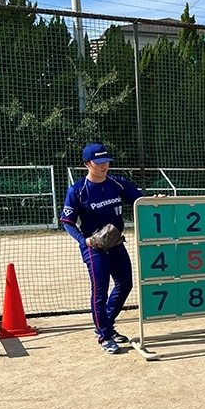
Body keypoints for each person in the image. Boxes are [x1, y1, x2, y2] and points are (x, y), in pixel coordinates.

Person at [61, 143, 143, 355]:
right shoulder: (77, 190)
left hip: (115, 243)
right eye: (98, 163)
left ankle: (105, 323)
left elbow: (140, 200)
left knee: (126, 284)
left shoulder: (117, 183)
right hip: (94, 247)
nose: (104, 165)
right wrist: (83, 240)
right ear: (87, 164)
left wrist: (155, 201)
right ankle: (105, 335)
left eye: (106, 161)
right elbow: (67, 221)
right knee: (100, 291)